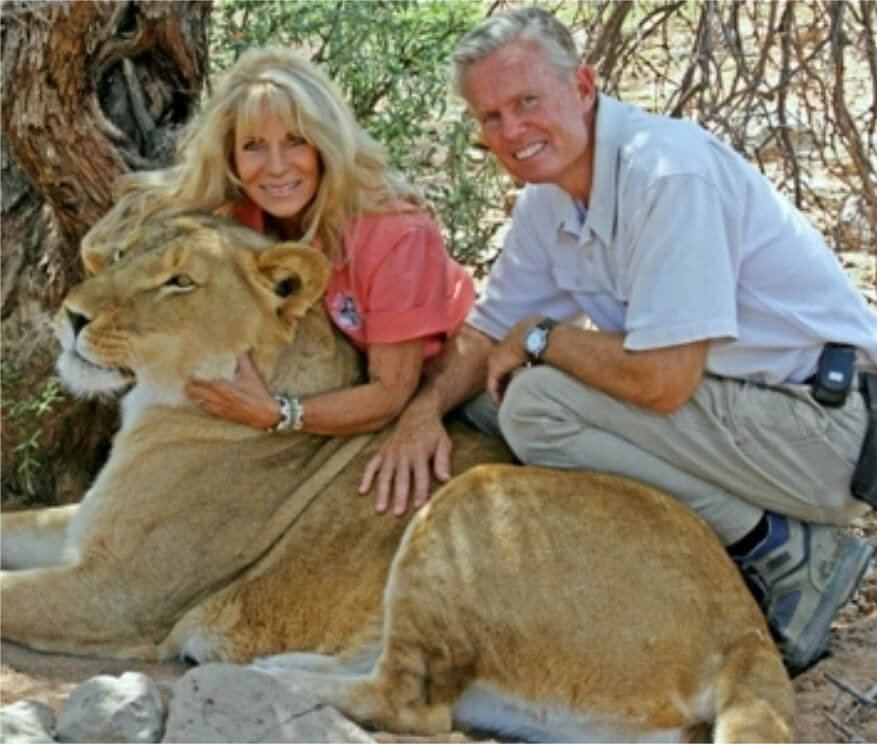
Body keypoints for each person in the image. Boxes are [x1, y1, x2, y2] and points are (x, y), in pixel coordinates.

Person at [360, 7, 877, 674]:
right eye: (490, 117)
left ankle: (780, 550)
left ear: (581, 86)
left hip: (821, 432)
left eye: (525, 101)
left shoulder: (666, 174)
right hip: (745, 415)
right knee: (483, 401)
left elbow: (662, 382)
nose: (511, 129)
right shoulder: (551, 196)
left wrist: (542, 336)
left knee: (536, 404)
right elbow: (488, 332)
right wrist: (420, 413)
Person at [91, 47, 474, 500]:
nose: (276, 167)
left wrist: (279, 414)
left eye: (296, 141)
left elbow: (390, 394)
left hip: (442, 374)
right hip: (339, 380)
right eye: (254, 146)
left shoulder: (394, 234)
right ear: (231, 158)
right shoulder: (240, 216)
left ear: (325, 144)